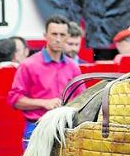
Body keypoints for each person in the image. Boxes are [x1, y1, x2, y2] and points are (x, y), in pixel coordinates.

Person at [7, 15, 85, 147]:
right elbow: (14, 100)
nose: (58, 39)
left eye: (62, 35)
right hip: (37, 126)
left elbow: (82, 99)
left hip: (65, 128)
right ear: (45, 35)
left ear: (67, 37)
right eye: (54, 34)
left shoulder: (73, 67)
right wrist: (44, 103)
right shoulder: (29, 65)